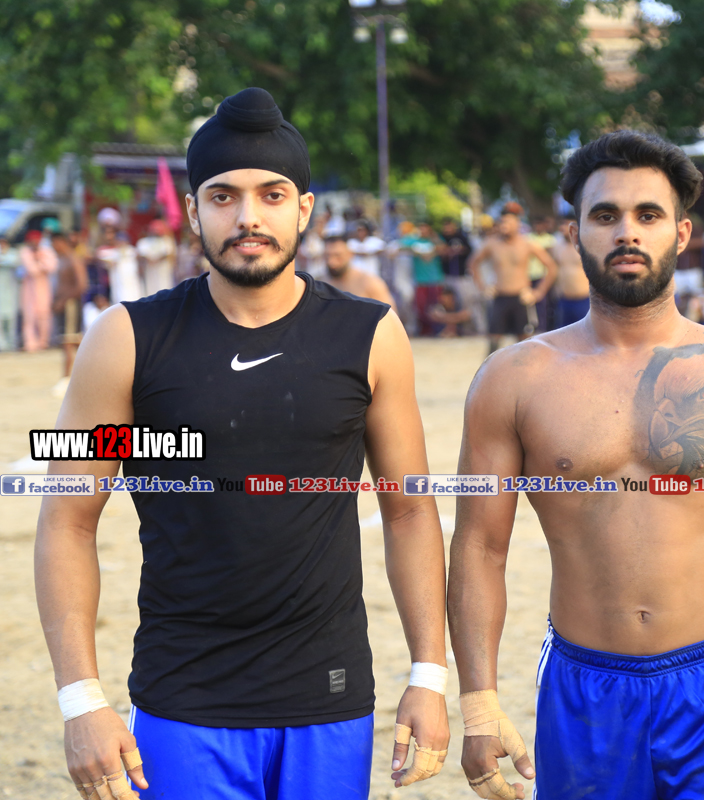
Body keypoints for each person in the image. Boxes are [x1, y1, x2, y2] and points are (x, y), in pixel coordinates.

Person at [34, 87, 450, 800]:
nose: (248, 216)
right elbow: (67, 519)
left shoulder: (370, 334)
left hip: (330, 697)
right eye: (223, 196)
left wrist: (429, 675)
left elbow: (409, 510)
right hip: (183, 700)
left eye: (272, 195)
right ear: (193, 210)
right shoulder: (125, 339)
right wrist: (79, 700)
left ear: (304, 208)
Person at [447, 130, 704, 800]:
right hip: (582, 690)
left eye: (648, 214)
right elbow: (480, 545)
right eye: (605, 215)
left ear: (682, 232)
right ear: (574, 233)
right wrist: (479, 704)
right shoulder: (514, 379)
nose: (627, 232)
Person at [467, 210, 557, 354]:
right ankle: (491, 367)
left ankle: (526, 367)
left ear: (517, 224)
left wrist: (538, 292)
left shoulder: (527, 244)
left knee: (524, 342)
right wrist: (483, 287)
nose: (504, 225)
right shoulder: (492, 244)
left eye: (508, 222)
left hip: (521, 298)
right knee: (493, 339)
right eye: (502, 222)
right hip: (500, 297)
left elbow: (551, 267)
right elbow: (473, 263)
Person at [50, 230, 88, 391]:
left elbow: (82, 285)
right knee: (70, 341)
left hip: (71, 305)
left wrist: (63, 300)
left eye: (54, 243)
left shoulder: (73, 258)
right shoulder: (62, 259)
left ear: (61, 242)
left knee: (69, 341)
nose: (53, 247)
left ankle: (66, 378)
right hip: (64, 304)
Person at [323, 234, 396, 310]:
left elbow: (391, 315)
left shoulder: (370, 283)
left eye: (338, 256)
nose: (331, 262)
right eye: (327, 256)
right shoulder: (320, 282)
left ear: (350, 254)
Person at [404, 221, 446, 335]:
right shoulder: (414, 241)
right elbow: (401, 246)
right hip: (420, 280)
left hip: (435, 279)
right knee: (421, 306)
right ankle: (424, 329)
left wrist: (434, 242)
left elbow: (443, 249)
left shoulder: (435, 240)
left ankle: (437, 329)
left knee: (436, 305)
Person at [94, 209, 143, 303]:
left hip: (126, 287)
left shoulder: (124, 247)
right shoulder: (102, 250)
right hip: (106, 285)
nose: (109, 236)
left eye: (111, 232)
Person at [439, 217, 479, 332]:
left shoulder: (462, 237)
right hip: (447, 275)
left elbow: (470, 252)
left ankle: (468, 328)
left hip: (461, 276)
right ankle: (450, 328)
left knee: (465, 302)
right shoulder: (441, 238)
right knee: (448, 302)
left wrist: (459, 250)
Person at [550, 216, 590, 327]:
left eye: (566, 224)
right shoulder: (557, 246)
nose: (562, 227)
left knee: (586, 332)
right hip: (563, 300)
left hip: (585, 300)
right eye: (561, 224)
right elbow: (554, 269)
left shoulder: (586, 247)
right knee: (563, 333)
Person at [20, 229, 54, 352]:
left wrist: (39, 261)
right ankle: (30, 344)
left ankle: (43, 342)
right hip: (29, 289)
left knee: (44, 315)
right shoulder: (25, 252)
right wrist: (41, 264)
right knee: (29, 317)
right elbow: (32, 270)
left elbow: (52, 266)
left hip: (44, 288)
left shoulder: (46, 251)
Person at [136, 218, 178, 296]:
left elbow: (170, 254)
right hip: (150, 272)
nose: (155, 232)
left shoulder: (167, 241)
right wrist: (149, 260)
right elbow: (140, 255)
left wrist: (157, 260)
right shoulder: (144, 242)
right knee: (151, 291)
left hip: (163, 271)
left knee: (165, 289)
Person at [0, 236, 20, 350]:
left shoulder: (13, 253)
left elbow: (14, 262)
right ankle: (2, 345)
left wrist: (3, 257)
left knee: (11, 320)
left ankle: (12, 344)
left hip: (11, 292)